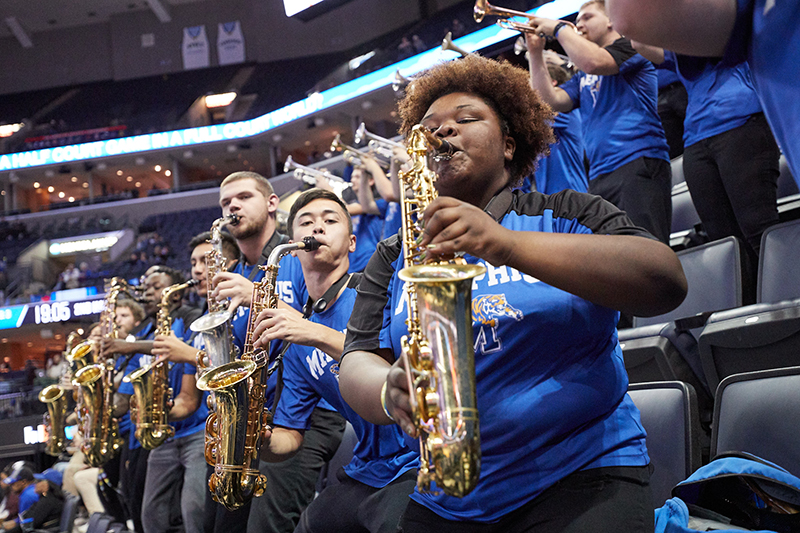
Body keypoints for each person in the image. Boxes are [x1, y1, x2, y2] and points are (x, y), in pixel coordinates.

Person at [337, 54, 688, 531]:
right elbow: (356, 359)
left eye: (465, 119)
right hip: (449, 491)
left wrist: (504, 243)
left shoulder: (566, 212)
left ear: (508, 144)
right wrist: (385, 389)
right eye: (429, 127)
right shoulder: (393, 253)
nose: (442, 132)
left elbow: (664, 281)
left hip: (583, 474)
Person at [251, 189, 418, 533]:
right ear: (293, 244)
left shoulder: (376, 295)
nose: (319, 228)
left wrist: (312, 332)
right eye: (306, 222)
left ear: (353, 242)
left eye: (331, 220)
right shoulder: (296, 338)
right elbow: (291, 436)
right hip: (368, 468)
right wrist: (259, 440)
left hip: (418, 460)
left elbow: (390, 373)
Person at [211, 171, 346, 533]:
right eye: (225, 202)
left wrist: (256, 295)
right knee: (222, 521)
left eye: (242, 197)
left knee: (266, 525)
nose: (232, 207)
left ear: (272, 204)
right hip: (259, 413)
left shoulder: (300, 252)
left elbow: (316, 323)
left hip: (314, 409)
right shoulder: (236, 272)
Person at [606, 0, 800, 185]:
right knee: (715, 219)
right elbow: (636, 34)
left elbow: (627, 18)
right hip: (697, 132)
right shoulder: (693, 39)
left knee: (755, 216)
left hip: (740, 119)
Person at [526, 0, 672, 243]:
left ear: (610, 20)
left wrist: (559, 30)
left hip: (637, 161)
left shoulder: (631, 47)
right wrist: (535, 53)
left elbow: (594, 61)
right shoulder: (584, 76)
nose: (578, 24)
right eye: (577, 20)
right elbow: (549, 102)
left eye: (587, 18)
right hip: (600, 174)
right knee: (617, 264)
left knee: (647, 252)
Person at [633, 42, 780, 278]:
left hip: (742, 122)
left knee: (758, 229)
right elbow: (639, 43)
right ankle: (744, 308)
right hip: (696, 139)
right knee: (725, 243)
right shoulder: (678, 45)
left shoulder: (725, 26)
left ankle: (786, 299)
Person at [114, 268, 205, 533]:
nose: (149, 293)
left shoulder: (190, 319)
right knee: (149, 513)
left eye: (156, 287)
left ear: (174, 293)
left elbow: (190, 392)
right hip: (164, 433)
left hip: (195, 430)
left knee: (193, 510)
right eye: (148, 287)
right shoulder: (150, 328)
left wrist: (129, 346)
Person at [533, 51, 587, 195]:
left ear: (552, 83)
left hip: (573, 194)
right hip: (548, 201)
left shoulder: (566, 111)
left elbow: (535, 113)